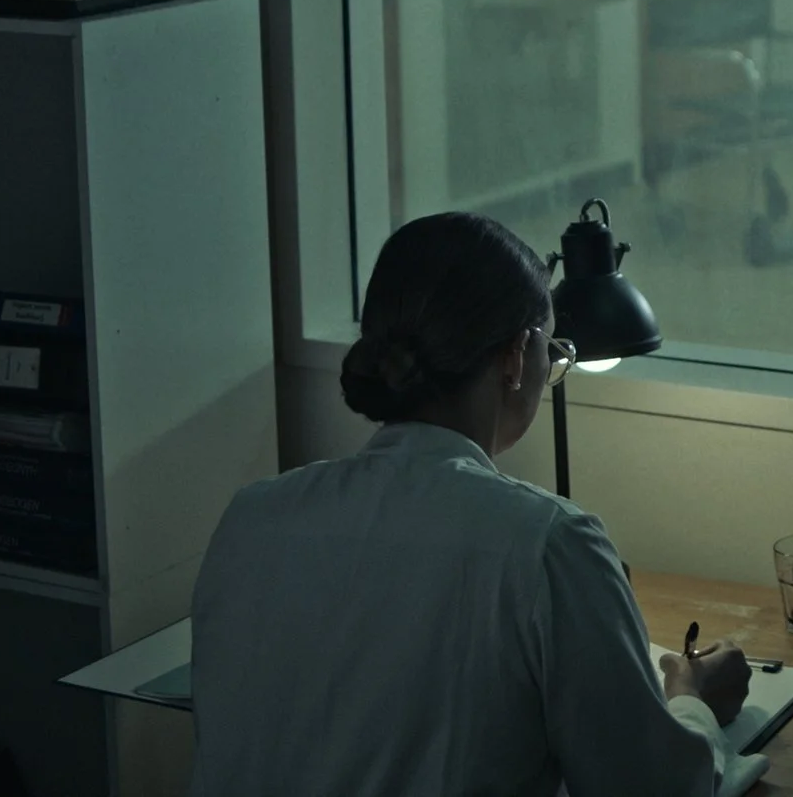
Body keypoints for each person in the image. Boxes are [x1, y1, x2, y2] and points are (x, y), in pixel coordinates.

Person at [189, 212, 752, 797]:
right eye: (552, 349)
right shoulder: (546, 542)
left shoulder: (252, 518)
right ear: (515, 358)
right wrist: (692, 704)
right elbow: (653, 789)